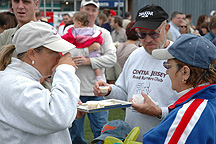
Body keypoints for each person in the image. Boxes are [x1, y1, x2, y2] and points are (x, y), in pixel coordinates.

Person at [93, 4, 178, 142]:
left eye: (154, 33)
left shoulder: (179, 57)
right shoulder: (136, 55)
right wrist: (108, 90)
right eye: (142, 34)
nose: (148, 39)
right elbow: (124, 92)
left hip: (167, 137)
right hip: (133, 137)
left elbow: (191, 107)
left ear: (166, 28)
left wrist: (158, 112)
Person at [0, 21, 85, 144]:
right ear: (32, 54)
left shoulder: (18, 79)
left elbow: (41, 119)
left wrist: (69, 108)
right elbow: (58, 117)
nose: (59, 57)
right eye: (53, 51)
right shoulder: (15, 83)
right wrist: (66, 70)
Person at [142, 34, 216, 143]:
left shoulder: (190, 113)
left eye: (168, 66)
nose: (167, 71)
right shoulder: (209, 98)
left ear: (185, 72)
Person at [68, 0, 116, 144]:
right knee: (74, 135)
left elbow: (112, 59)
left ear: (97, 13)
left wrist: (89, 61)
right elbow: (64, 53)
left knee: (101, 133)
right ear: (81, 9)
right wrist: (87, 50)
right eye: (87, 9)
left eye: (93, 10)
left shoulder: (104, 33)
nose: (89, 13)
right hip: (74, 91)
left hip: (97, 92)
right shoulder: (69, 30)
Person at [62, 11, 104, 81]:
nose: (73, 25)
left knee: (73, 63)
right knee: (96, 65)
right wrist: (99, 43)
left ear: (79, 23)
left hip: (78, 48)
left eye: (74, 23)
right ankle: (99, 77)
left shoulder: (75, 31)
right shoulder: (92, 30)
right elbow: (99, 39)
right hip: (91, 51)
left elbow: (68, 37)